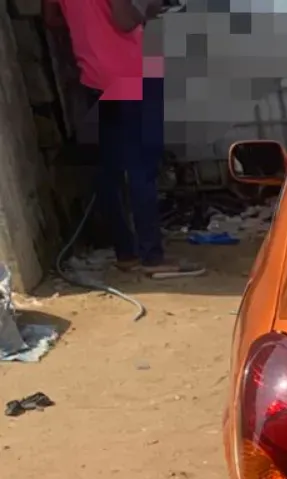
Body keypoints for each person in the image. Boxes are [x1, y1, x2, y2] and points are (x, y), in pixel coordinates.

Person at [45, 0, 204, 278]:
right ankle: (152, 258)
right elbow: (125, 20)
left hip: (94, 76)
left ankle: (126, 253)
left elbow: (51, 18)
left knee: (111, 168)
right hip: (133, 73)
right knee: (143, 166)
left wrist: (89, 29)